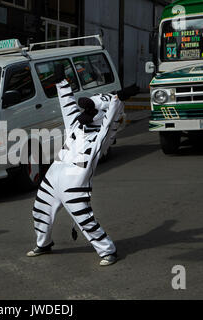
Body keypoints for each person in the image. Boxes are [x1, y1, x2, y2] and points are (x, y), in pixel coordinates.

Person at [27, 63, 124, 266]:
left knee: (84, 220)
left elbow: (110, 122)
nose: (85, 112)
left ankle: (108, 251)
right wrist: (61, 83)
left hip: (74, 184)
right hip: (53, 177)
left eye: (91, 110)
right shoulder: (77, 125)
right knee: (39, 210)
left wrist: (114, 103)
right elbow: (68, 105)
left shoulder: (100, 138)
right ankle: (43, 244)